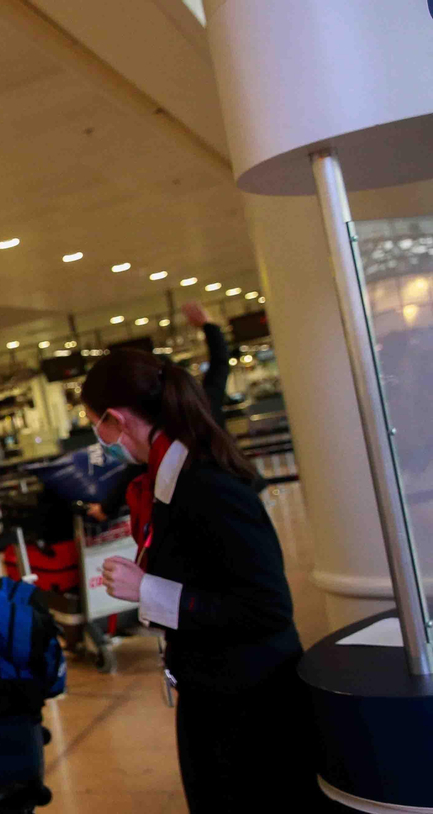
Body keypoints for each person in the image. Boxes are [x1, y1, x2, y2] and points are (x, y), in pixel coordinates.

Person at [84, 350, 324, 812]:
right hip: (215, 694)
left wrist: (146, 590)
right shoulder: (164, 479)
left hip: (254, 709)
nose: (101, 439)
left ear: (115, 420)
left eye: (96, 424)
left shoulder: (205, 484)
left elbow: (266, 607)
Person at [87, 301, 231, 523]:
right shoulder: (203, 403)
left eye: (95, 423)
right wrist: (209, 326)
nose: (97, 433)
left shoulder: (176, 468)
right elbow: (220, 364)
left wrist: (106, 508)